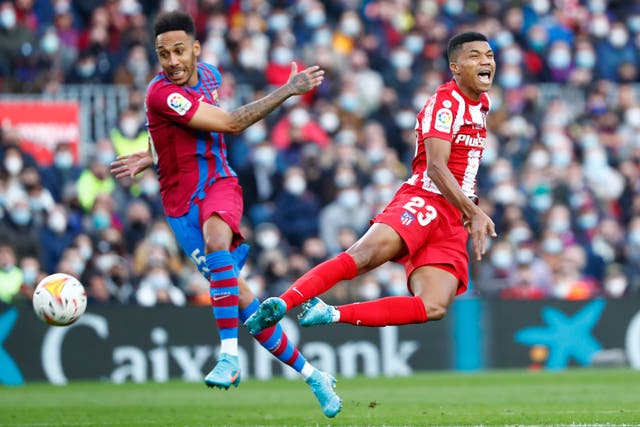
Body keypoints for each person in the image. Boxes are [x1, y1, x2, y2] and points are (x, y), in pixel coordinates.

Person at [109, 11, 341, 418]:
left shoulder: (212, 76)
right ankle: (313, 374)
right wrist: (286, 90)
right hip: (180, 206)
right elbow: (221, 121)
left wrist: (151, 154)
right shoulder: (159, 93)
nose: (172, 61)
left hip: (219, 183)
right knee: (244, 301)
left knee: (218, 241)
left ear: (196, 49)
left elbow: (222, 125)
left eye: (180, 50)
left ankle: (228, 357)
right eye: (163, 54)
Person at [245, 32, 497, 333]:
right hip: (426, 200)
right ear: (455, 67)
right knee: (363, 257)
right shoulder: (445, 104)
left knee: (434, 306)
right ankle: (284, 302)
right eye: (475, 55)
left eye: (489, 55)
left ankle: (330, 313)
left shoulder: (482, 104)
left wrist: (466, 210)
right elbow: (436, 168)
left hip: (453, 215)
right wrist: (474, 211)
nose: (485, 61)